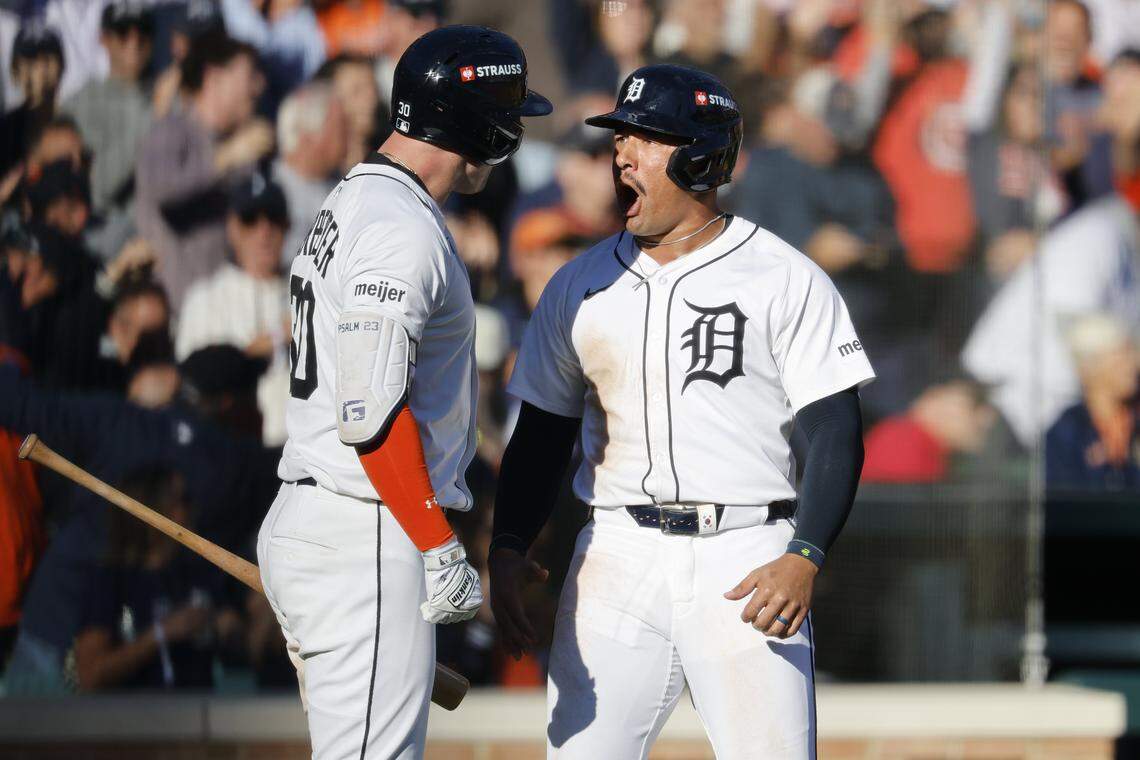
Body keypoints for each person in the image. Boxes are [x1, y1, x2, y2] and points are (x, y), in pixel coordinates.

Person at [490, 65, 874, 758]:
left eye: (647, 139)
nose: (622, 155)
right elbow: (543, 435)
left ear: (701, 158)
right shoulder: (579, 282)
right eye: (621, 139)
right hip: (616, 550)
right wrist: (510, 543)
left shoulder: (782, 275)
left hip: (746, 552)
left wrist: (806, 552)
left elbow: (834, 428)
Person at [258, 25, 551, 758]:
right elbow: (369, 411)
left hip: (331, 518)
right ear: (470, 120)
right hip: (368, 530)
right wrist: (436, 544)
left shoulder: (359, 199)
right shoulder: (400, 227)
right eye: (505, 113)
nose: (511, 131)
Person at [135, 30, 271, 313]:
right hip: (175, 310)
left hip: (227, 312)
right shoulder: (171, 130)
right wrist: (226, 158)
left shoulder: (241, 147)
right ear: (214, 78)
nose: (259, 87)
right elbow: (162, 190)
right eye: (249, 76)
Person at [177, 173, 291, 445]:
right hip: (231, 449)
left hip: (298, 458)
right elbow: (195, 386)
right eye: (250, 220)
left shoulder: (307, 292)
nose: (264, 231)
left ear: (287, 225)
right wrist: (273, 339)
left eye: (273, 218)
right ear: (233, 228)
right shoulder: (204, 299)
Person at [1047, 312, 1140, 491]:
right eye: (1121, 358)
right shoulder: (1067, 432)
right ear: (1090, 368)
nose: (1133, 366)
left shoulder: (1134, 420)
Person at [272, 82, 346, 264]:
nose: (348, 136)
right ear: (311, 134)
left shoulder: (345, 187)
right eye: (340, 128)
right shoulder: (272, 187)